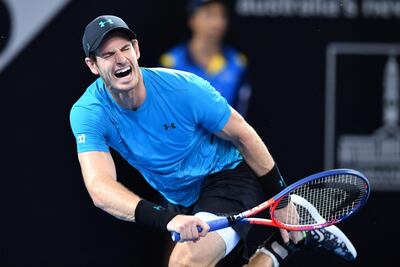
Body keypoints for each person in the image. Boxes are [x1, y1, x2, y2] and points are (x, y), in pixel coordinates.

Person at [70, 15, 357, 266]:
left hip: (227, 176)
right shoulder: (89, 113)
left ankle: (292, 224)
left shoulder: (184, 89)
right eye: (108, 55)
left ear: (137, 50)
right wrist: (167, 217)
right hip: (182, 199)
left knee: (184, 264)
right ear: (93, 65)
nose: (120, 59)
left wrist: (280, 200)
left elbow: (243, 134)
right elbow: (99, 187)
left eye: (125, 48)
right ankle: (282, 246)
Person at [160, 0, 252, 117]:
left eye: (222, 15)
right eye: (209, 15)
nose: (217, 22)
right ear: (192, 20)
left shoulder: (238, 63)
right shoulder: (170, 63)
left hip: (227, 133)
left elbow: (242, 113)